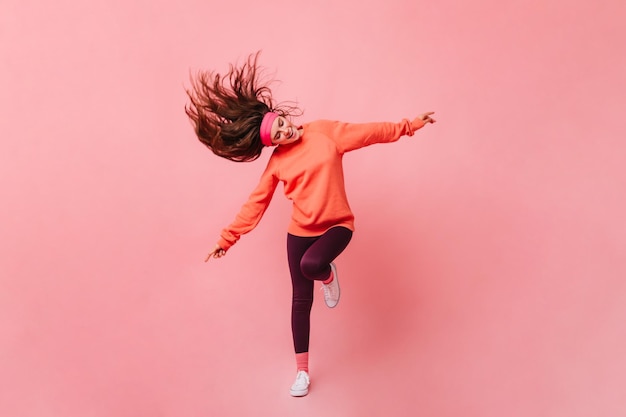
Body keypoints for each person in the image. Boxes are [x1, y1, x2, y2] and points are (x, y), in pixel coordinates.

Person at [185, 52, 435, 397]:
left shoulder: (325, 132)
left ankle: (328, 275)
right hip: (299, 233)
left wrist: (409, 125)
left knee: (313, 265)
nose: (288, 130)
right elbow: (255, 203)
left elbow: (368, 133)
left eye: (283, 122)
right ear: (274, 143)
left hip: (337, 225)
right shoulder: (277, 164)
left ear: (283, 115)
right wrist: (227, 239)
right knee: (300, 301)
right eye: (280, 135)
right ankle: (302, 372)